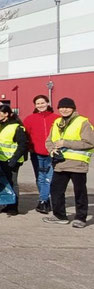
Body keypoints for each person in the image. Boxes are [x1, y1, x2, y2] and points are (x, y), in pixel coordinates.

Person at [43, 97, 94, 228]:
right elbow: (49, 140)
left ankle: (80, 218)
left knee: (79, 192)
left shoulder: (83, 122)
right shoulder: (57, 122)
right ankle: (60, 215)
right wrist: (51, 150)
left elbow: (89, 142)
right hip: (60, 164)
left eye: (67, 107)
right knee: (56, 190)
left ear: (73, 108)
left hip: (77, 164)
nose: (64, 110)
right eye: (61, 107)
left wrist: (65, 143)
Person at [22, 95, 58, 214]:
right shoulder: (30, 119)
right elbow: (25, 136)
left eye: (42, 103)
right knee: (40, 177)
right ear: (35, 105)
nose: (40, 105)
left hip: (52, 153)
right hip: (36, 153)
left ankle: (43, 200)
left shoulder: (56, 119)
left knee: (49, 177)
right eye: (38, 103)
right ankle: (44, 200)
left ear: (48, 103)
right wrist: (30, 148)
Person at [0, 104, 28, 216]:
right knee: (3, 183)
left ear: (6, 114)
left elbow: (22, 145)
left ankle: (13, 206)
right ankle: (6, 204)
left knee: (12, 183)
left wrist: (14, 159)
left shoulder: (16, 127)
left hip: (12, 161)